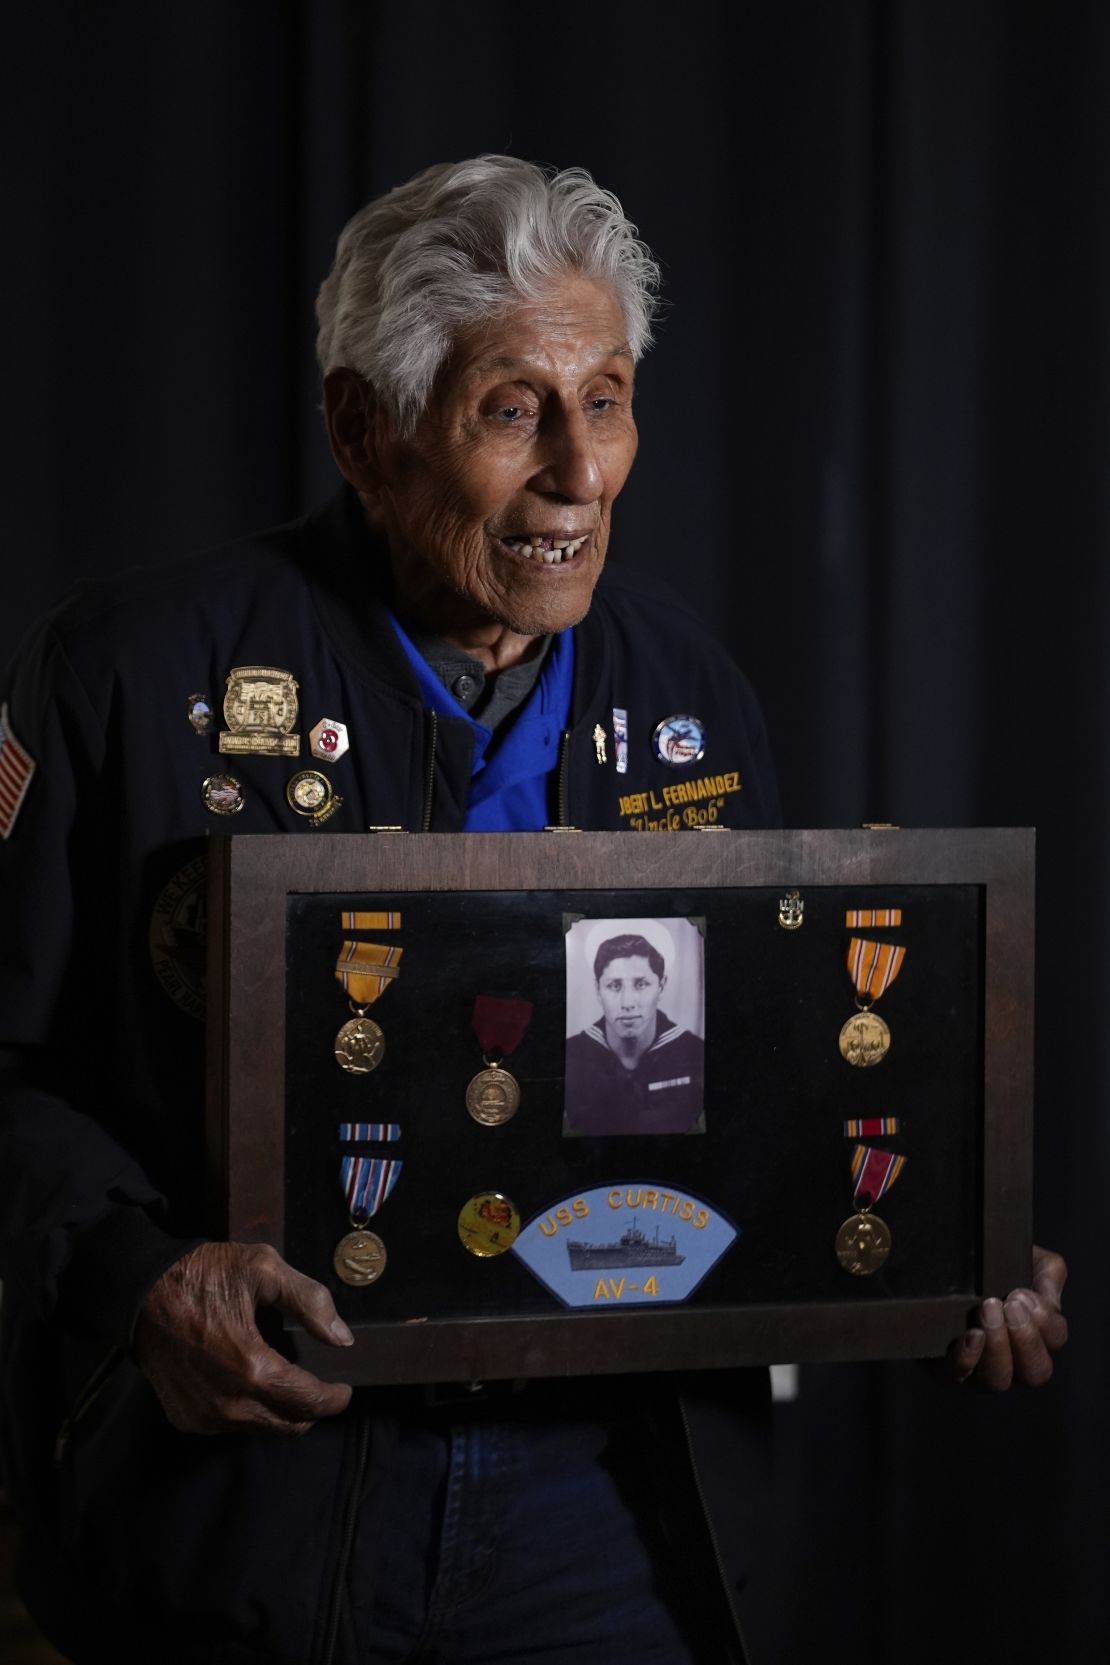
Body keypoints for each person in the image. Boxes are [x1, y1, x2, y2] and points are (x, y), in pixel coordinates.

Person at [0, 156, 1067, 1665]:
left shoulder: (692, 691)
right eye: (514, 409)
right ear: (363, 431)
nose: (581, 469)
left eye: (610, 396)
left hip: (609, 1510)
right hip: (258, 1501)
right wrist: (140, 1277)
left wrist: (947, 1232)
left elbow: (776, 1080)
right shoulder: (125, 672)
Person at [565, 931, 705, 1134]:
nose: (628, 1003)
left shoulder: (696, 1054)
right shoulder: (571, 1055)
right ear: (597, 990)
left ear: (661, 986)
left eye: (641, 984)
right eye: (614, 986)